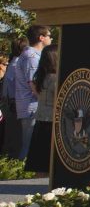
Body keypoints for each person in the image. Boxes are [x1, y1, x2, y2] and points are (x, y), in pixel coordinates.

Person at [14, 25, 52, 160]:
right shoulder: (32, 57)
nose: (51, 39)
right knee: (29, 146)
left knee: (28, 144)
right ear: (41, 38)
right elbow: (33, 84)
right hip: (32, 107)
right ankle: (23, 175)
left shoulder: (28, 54)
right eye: (49, 36)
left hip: (29, 106)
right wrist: (46, 100)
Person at [24, 44, 58, 175]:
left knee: (40, 161)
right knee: (49, 160)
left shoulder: (41, 77)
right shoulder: (55, 79)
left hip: (40, 118)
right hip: (51, 121)